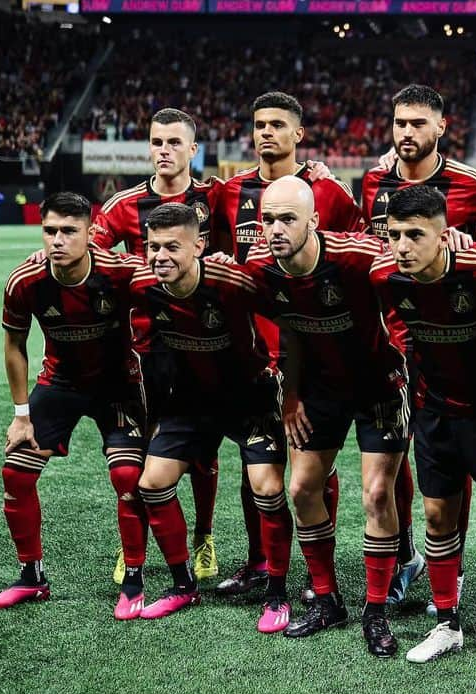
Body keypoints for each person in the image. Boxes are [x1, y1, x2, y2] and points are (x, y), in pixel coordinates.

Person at [371, 185, 476, 677]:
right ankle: (447, 622)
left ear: (445, 235)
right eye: (395, 235)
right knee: (437, 515)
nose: (402, 246)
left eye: (415, 235)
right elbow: (394, 324)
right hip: (433, 411)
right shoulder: (386, 275)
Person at [244, 177, 409, 657]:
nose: (274, 229)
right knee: (301, 489)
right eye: (267, 220)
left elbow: (411, 271)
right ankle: (327, 598)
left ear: (314, 221)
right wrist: (291, 394)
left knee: (378, 494)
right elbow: (293, 326)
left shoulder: (358, 257)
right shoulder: (261, 267)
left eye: (287, 219)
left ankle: (375, 612)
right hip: (319, 389)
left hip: (379, 386)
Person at [212, 91, 364, 598]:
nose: (266, 133)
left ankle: (319, 570)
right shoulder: (228, 193)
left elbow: (357, 261)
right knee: (255, 462)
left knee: (315, 465)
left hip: (314, 355)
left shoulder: (327, 193)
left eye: (277, 124)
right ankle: (261, 563)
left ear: (299, 134)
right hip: (252, 357)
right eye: (259, 124)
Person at [362, 83, 476, 609]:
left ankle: (458, 570)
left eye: (419, 123)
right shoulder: (374, 181)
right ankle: (403, 559)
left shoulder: (472, 186)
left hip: (456, 350)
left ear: (442, 127)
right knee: (395, 459)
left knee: (456, 461)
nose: (407, 133)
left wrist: (473, 248)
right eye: (400, 123)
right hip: (389, 345)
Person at [0, 192, 147, 620]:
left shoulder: (120, 271)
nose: (58, 240)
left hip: (118, 386)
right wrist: (21, 414)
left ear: (89, 234)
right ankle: (31, 577)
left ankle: (134, 580)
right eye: (50, 230)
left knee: (128, 475)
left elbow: (174, 284)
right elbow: (14, 345)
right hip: (60, 381)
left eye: (69, 231)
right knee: (15, 472)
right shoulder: (25, 281)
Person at [128, 202, 286, 620]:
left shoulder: (231, 281)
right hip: (192, 400)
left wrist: (295, 387)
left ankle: (277, 591)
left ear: (199, 245)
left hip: (250, 397)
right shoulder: (143, 282)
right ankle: (184, 585)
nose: (160, 256)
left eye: (172, 247)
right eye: (153, 246)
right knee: (152, 483)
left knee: (267, 489)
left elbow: (291, 315)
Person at [90, 107, 225, 585]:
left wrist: (317, 172)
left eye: (173, 142)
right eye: (156, 141)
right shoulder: (122, 205)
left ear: (193, 149)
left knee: (203, 453)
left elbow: (267, 203)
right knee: (139, 450)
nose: (164, 150)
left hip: (202, 344)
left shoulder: (216, 197)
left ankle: (204, 537)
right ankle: (134, 547)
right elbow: (94, 255)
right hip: (143, 350)